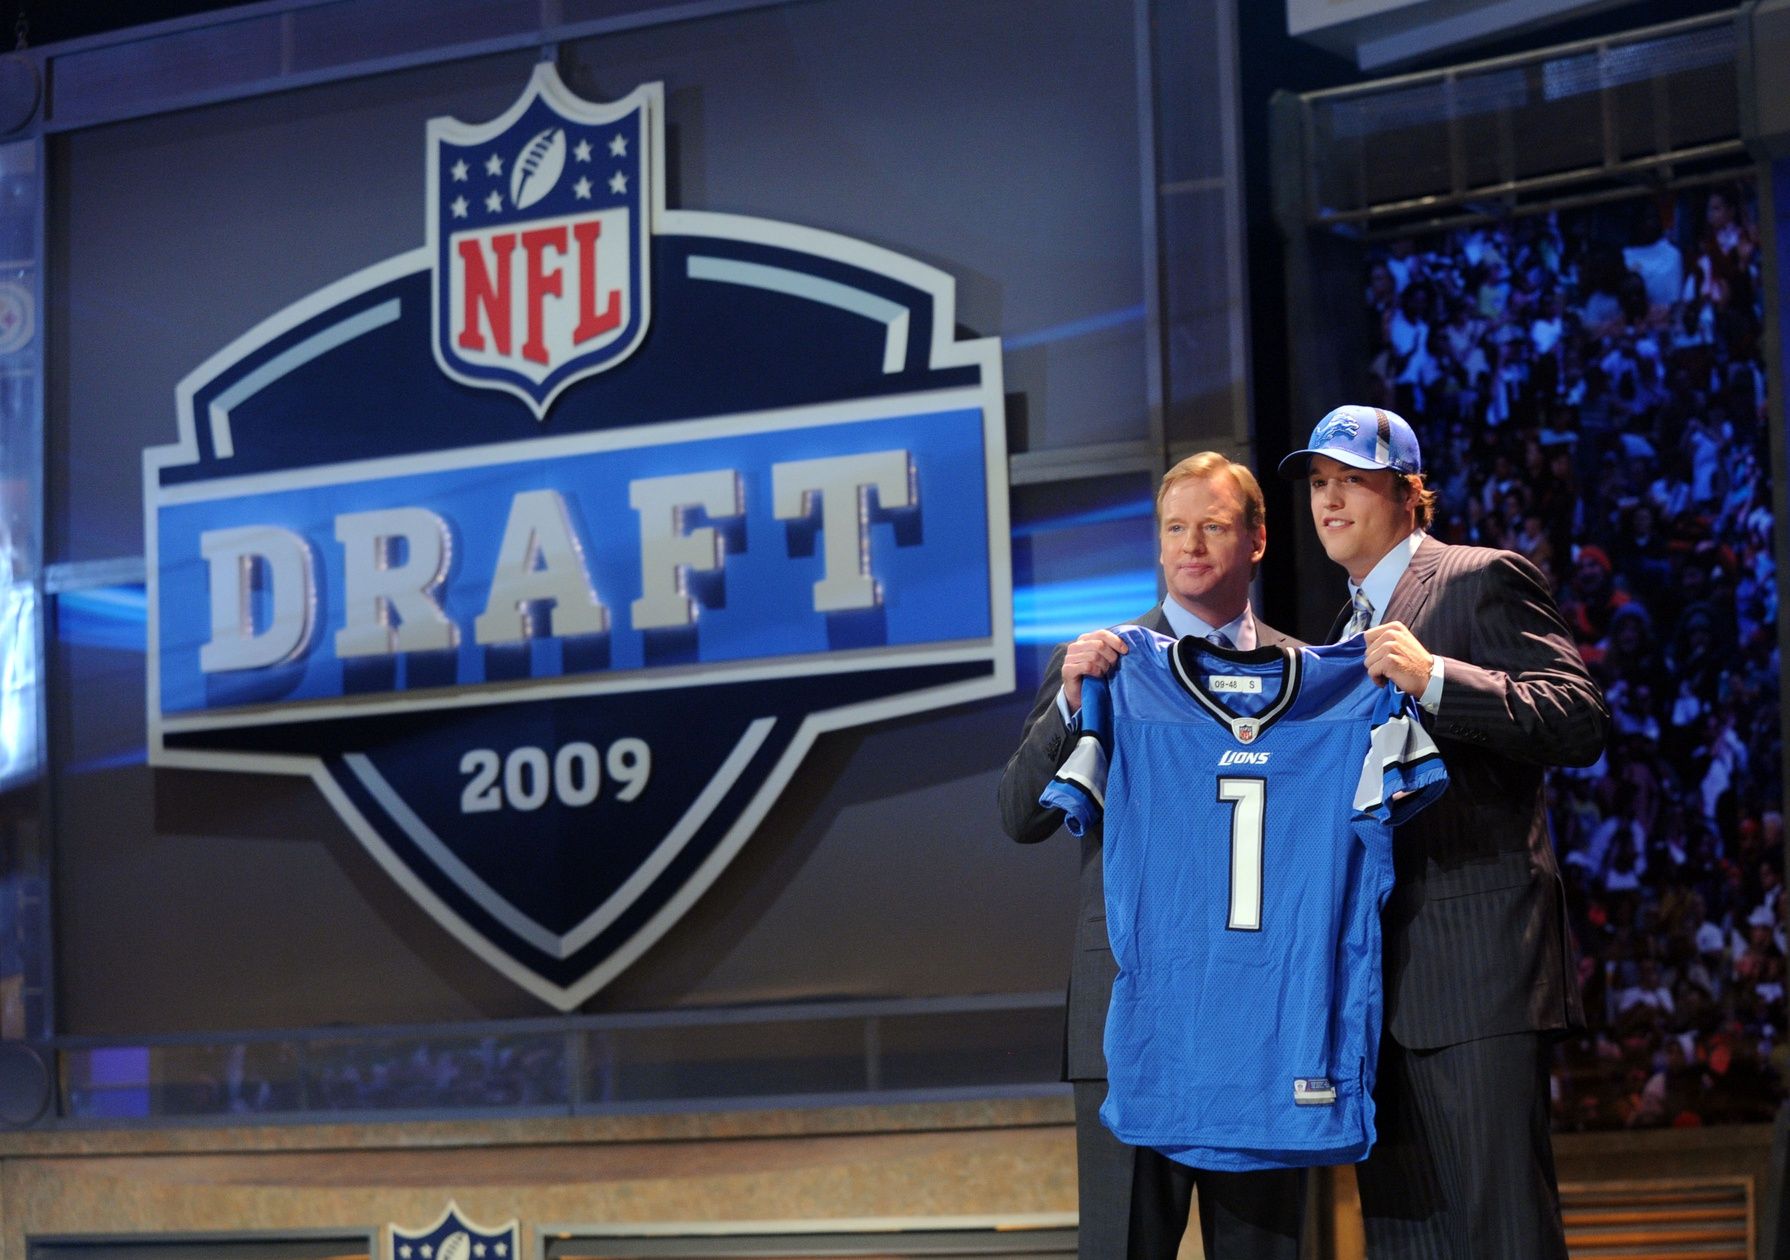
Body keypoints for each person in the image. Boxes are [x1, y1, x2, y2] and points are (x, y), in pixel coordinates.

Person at [1278, 405, 1609, 1258]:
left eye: (1350, 477)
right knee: (1405, 1242)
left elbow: (1577, 719)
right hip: (1376, 997)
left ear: (1408, 491)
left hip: (1478, 972)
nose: (1329, 499)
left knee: (1502, 1234)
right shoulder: (1338, 640)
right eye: (1318, 483)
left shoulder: (1476, 578)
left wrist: (1436, 680)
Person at [998, 451, 1304, 1259]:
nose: (1191, 544)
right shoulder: (1102, 665)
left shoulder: (1305, 678)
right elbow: (1019, 816)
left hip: (1262, 1024)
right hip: (1126, 1021)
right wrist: (1069, 702)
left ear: (1257, 540)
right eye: (1176, 527)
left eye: (1213, 525)